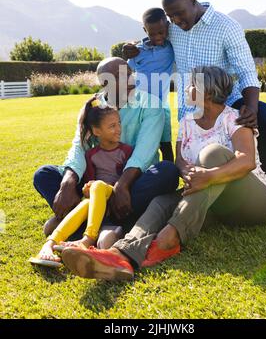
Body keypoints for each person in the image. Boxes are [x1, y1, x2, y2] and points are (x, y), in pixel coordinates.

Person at [60, 66, 266, 281]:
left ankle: (168, 239)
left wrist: (208, 176)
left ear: (207, 92)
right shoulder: (187, 123)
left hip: (253, 203)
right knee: (161, 203)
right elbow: (180, 160)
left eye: (191, 84)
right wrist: (187, 172)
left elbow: (246, 161)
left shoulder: (234, 118)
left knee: (212, 154)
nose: (185, 88)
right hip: (215, 206)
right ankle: (121, 255)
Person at [123, 0, 266, 191]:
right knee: (200, 163)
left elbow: (246, 70)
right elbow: (153, 38)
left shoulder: (226, 27)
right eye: (171, 17)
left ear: (193, 1)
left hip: (225, 99)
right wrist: (132, 47)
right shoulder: (171, 28)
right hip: (191, 106)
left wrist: (252, 108)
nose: (176, 21)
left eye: (180, 14)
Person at [33, 57, 179, 242]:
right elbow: (79, 146)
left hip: (133, 184)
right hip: (95, 185)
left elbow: (145, 151)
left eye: (129, 72)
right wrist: (68, 184)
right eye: (120, 76)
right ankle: (109, 225)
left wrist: (122, 185)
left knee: (168, 171)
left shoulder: (152, 104)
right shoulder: (93, 107)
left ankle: (83, 223)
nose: (130, 78)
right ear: (105, 84)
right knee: (44, 174)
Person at [30, 100, 133, 266]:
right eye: (112, 126)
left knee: (98, 186)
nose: (119, 129)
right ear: (97, 131)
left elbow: (125, 179)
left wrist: (98, 186)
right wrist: (87, 188)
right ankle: (49, 244)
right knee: (85, 203)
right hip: (96, 198)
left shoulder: (126, 151)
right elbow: (89, 179)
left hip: (113, 195)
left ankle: (87, 239)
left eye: (118, 123)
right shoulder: (91, 154)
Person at [127, 7, 175, 161]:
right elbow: (126, 72)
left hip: (161, 107)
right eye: (152, 34)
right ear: (144, 30)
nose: (158, 37)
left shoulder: (171, 48)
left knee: (165, 145)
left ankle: (170, 179)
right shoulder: (137, 52)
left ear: (167, 26)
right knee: (140, 144)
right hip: (140, 108)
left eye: (161, 32)